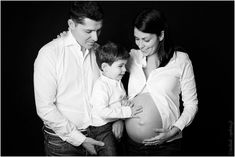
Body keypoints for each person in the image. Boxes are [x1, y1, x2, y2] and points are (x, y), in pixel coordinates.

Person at [34, 1, 123, 156]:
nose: (95, 37)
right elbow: (45, 108)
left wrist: (117, 118)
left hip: (100, 133)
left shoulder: (99, 52)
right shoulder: (49, 54)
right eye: (88, 31)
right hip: (62, 142)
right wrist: (80, 139)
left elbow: (111, 87)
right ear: (71, 24)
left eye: (99, 30)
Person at [124, 9, 198, 155]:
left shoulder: (181, 60)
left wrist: (173, 131)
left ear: (161, 35)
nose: (141, 45)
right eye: (137, 38)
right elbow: (103, 59)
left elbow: (191, 104)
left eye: (146, 40)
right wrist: (69, 37)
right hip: (131, 145)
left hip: (166, 145)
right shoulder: (132, 57)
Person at [88, 41, 143, 155]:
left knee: (122, 150)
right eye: (120, 66)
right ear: (105, 67)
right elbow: (102, 111)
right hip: (101, 127)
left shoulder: (117, 81)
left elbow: (118, 100)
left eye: (124, 65)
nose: (124, 70)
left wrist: (124, 103)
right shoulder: (101, 86)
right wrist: (127, 111)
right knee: (110, 153)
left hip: (113, 121)